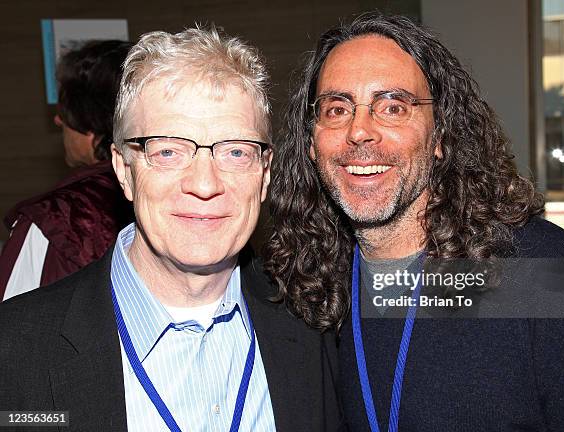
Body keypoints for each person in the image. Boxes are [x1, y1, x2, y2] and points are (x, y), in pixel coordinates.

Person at [264, 12, 564, 431]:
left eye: (392, 106)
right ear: (311, 143)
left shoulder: (557, 279)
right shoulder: (311, 289)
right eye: (337, 109)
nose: (359, 131)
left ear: (441, 135)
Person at [0, 27, 341, 431]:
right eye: (167, 151)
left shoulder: (312, 323)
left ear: (265, 174)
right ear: (124, 170)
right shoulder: (17, 351)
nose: (204, 184)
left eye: (235, 151)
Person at [0, 40, 134, 301]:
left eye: (65, 109)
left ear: (88, 120)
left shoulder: (56, 217)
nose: (58, 119)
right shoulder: (177, 197)